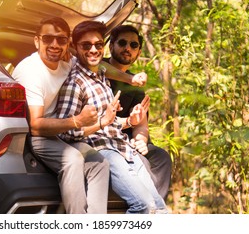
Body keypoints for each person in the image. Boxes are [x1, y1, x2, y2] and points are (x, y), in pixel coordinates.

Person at [57, 20, 168, 214]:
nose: (93, 50)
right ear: (74, 48)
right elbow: (66, 133)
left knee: (160, 209)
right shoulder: (75, 83)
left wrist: (130, 122)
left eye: (97, 45)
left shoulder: (101, 76)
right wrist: (102, 122)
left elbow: (114, 123)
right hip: (103, 149)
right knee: (144, 206)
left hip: (122, 146)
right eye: (86, 45)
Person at [12, 17, 110, 214]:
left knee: (99, 163)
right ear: (36, 41)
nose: (55, 45)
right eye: (48, 38)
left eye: (61, 40)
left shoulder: (67, 62)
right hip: (38, 136)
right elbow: (36, 126)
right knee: (72, 159)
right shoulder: (30, 71)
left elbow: (101, 67)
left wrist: (131, 78)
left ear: (68, 44)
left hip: (62, 133)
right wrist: (78, 121)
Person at [105, 25, 172, 200]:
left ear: (138, 52)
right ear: (111, 46)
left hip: (127, 140)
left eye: (133, 45)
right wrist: (131, 79)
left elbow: (140, 124)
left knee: (161, 157)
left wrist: (140, 141)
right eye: (122, 43)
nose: (128, 48)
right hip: (103, 139)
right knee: (140, 162)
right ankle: (144, 205)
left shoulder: (136, 90)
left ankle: (156, 209)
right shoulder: (98, 68)